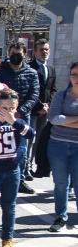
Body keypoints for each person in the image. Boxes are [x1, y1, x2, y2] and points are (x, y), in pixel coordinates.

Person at [0, 89, 33, 247]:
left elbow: (31, 134)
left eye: (12, 107)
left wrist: (13, 121)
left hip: (12, 169)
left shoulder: (18, 121)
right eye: (4, 107)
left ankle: (7, 239)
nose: (8, 111)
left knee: (9, 206)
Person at [0, 42, 39, 195]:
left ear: (25, 54)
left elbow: (34, 95)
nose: (16, 56)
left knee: (22, 148)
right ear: (8, 53)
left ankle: (20, 180)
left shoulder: (31, 72)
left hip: (22, 116)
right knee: (3, 147)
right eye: (13, 53)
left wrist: (20, 111)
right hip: (1, 115)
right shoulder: (1, 71)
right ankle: (0, 178)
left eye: (19, 53)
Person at [47, 62, 78, 233]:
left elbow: (60, 119)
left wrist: (66, 120)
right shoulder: (61, 95)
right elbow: (53, 119)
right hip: (57, 145)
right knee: (60, 184)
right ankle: (60, 216)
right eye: (73, 74)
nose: (76, 78)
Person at [28, 39, 55, 179]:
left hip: (45, 112)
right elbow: (30, 90)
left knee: (41, 140)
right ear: (35, 52)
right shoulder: (30, 67)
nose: (44, 52)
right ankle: (27, 167)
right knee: (29, 139)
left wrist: (49, 105)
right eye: (41, 50)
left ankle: (39, 166)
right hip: (33, 110)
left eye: (46, 49)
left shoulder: (51, 68)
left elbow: (52, 89)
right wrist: (39, 106)